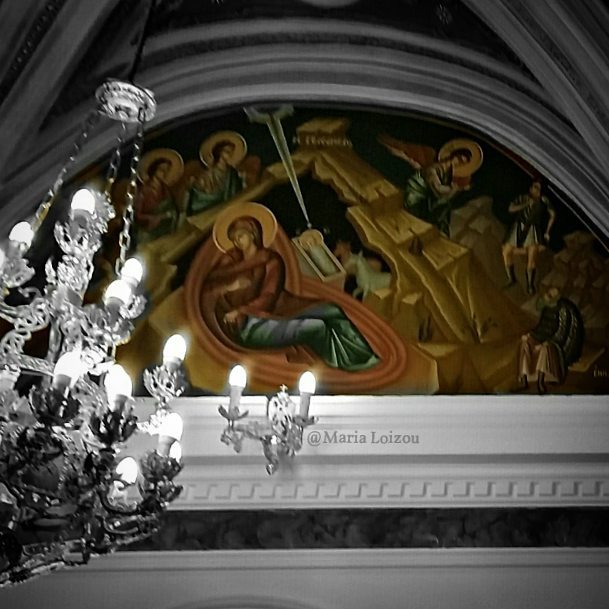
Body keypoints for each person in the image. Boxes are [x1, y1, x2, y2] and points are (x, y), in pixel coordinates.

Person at [202, 216, 380, 372]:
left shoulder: (270, 259)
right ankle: (344, 365)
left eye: (240, 236)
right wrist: (230, 290)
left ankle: (364, 356)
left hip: (275, 307)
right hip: (249, 324)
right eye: (233, 239)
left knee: (332, 309)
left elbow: (269, 295)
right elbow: (211, 287)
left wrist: (240, 308)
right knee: (317, 327)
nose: (237, 242)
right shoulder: (229, 262)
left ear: (252, 234)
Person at [518, 287, 585, 394]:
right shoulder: (546, 309)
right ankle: (524, 380)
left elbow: (561, 334)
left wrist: (548, 342)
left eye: (549, 295)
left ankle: (540, 381)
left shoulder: (563, 311)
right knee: (525, 342)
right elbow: (541, 327)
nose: (545, 296)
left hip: (555, 346)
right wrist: (530, 335)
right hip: (543, 340)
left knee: (545, 348)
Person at [502, 180, 556, 294]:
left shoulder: (544, 200)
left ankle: (530, 285)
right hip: (518, 227)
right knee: (506, 251)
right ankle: (511, 278)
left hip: (533, 229)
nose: (538, 190)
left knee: (532, 256)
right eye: (536, 187)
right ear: (531, 188)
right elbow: (511, 209)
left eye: (539, 188)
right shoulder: (523, 198)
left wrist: (547, 232)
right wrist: (526, 204)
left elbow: (553, 215)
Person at [184, 140, 243, 216]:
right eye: (227, 151)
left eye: (231, 151)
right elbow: (197, 200)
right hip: (209, 211)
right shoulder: (207, 175)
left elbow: (238, 194)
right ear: (220, 152)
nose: (230, 154)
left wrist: (243, 181)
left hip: (230, 211)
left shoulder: (232, 173)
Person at [135, 157, 179, 243]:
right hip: (148, 233)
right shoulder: (143, 191)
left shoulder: (165, 189)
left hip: (166, 230)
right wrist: (156, 218)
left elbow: (172, 207)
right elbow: (137, 216)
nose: (165, 173)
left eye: (167, 170)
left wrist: (171, 213)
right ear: (154, 170)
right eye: (162, 170)